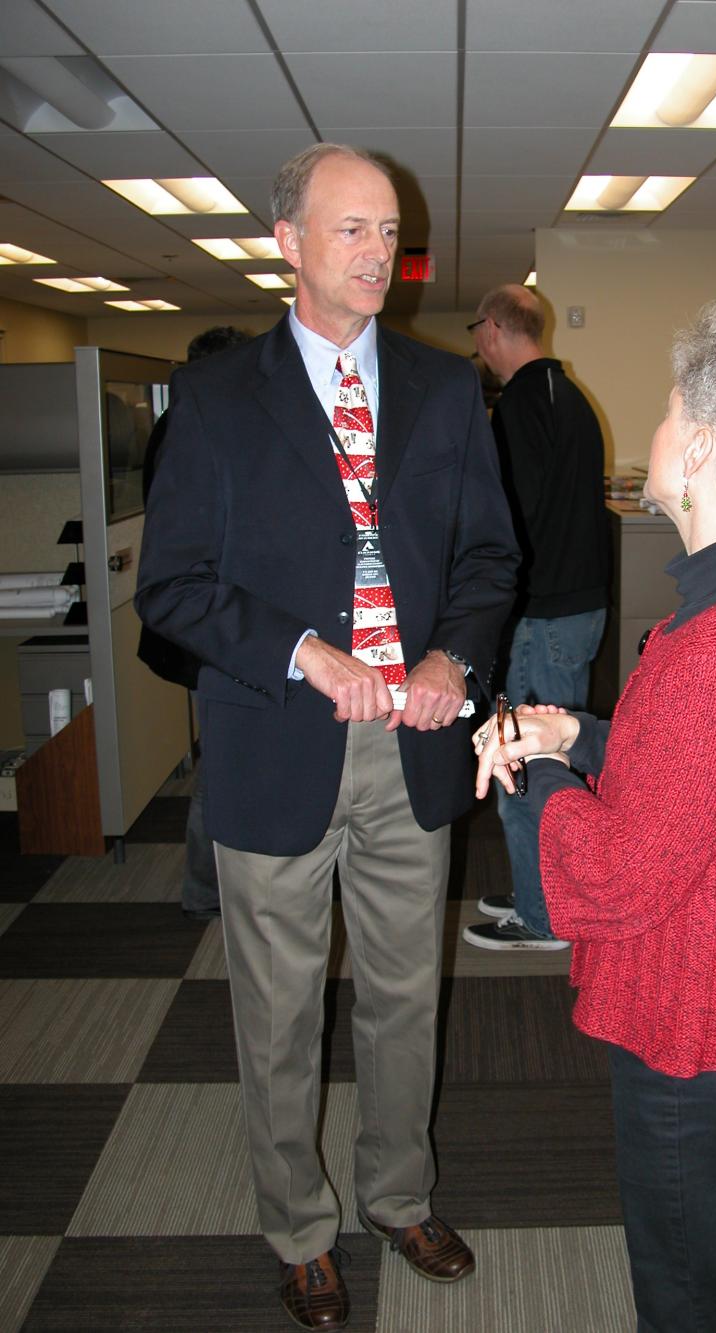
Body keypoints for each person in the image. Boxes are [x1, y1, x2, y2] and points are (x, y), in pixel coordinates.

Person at [135, 143, 519, 1332]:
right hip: (274, 740)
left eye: (388, 230)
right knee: (280, 1007)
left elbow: (487, 560)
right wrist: (309, 653)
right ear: (287, 243)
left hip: (410, 743)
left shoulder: (448, 390)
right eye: (347, 229)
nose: (376, 254)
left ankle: (398, 1195)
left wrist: (453, 656)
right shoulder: (214, 399)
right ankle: (298, 1225)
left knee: (407, 995)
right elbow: (175, 587)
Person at [472, 303, 716, 1333]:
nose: (651, 427)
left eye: (667, 408)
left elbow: (608, 878)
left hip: (703, 1026)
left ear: (696, 449)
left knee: (697, 1298)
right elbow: (709, 788)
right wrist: (580, 738)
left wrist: (535, 769)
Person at [464, 285, 608, 950]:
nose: (477, 344)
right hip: (576, 609)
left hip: (544, 617)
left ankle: (545, 916)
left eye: (477, 330)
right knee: (553, 760)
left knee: (521, 762)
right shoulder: (570, 398)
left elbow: (509, 526)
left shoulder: (520, 404)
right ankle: (541, 893)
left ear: (493, 328)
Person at [137, 324, 254, 921]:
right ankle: (207, 891)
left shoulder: (185, 424)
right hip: (207, 625)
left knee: (220, 757)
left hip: (214, 624)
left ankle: (213, 886)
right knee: (221, 762)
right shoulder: (192, 429)